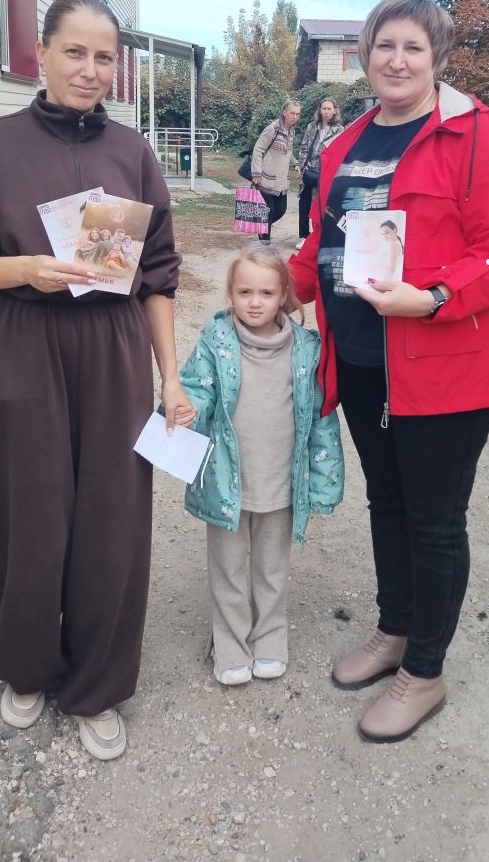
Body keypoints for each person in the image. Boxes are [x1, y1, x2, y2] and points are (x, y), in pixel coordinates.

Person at [0, 0, 195, 761]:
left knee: (113, 517)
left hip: (112, 350)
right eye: (74, 51)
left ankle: (96, 684)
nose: (89, 69)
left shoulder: (132, 153)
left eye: (104, 57)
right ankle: (30, 663)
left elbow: (159, 275)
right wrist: (24, 269)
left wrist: (170, 377)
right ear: (40, 53)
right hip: (27, 340)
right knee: (31, 509)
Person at [289, 0, 489, 744]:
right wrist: (270, 292)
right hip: (364, 361)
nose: (396, 61)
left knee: (433, 520)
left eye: (412, 48)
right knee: (387, 504)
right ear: (365, 55)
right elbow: (322, 243)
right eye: (384, 46)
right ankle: (395, 630)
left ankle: (425, 671)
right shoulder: (344, 143)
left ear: (437, 59)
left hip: (444, 367)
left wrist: (430, 298)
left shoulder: (473, 132)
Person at [179, 243, 344, 686]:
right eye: (245, 292)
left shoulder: (306, 349)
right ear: (230, 293)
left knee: (272, 569)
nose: (255, 302)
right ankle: (231, 643)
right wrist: (182, 412)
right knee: (228, 569)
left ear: (284, 295)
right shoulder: (215, 342)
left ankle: (270, 637)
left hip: (280, 484)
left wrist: (324, 481)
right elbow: (196, 390)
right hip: (225, 484)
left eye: (266, 293)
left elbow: (322, 419)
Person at [295, 96, 343, 246]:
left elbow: (339, 153)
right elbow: (304, 146)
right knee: (304, 204)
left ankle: (319, 237)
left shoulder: (339, 130)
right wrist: (302, 165)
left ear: (335, 111)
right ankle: (303, 236)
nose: (326, 112)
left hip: (325, 173)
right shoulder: (312, 126)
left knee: (321, 205)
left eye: (329, 109)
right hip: (309, 170)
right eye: (324, 108)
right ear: (320, 110)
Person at [250, 100, 300, 242]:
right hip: (265, 177)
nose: (295, 117)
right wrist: (256, 173)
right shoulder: (273, 128)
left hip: (281, 181)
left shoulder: (292, 131)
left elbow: (288, 152)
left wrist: (296, 164)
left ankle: (262, 227)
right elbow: (258, 150)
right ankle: (265, 242)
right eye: (292, 113)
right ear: (284, 112)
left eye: (297, 114)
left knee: (281, 210)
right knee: (269, 210)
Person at [378, 219, 404, 283]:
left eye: (387, 233)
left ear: (394, 230)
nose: (385, 237)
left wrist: (378, 264)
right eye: (382, 234)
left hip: (388, 281)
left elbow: (391, 270)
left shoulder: (393, 245)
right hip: (391, 280)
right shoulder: (397, 243)